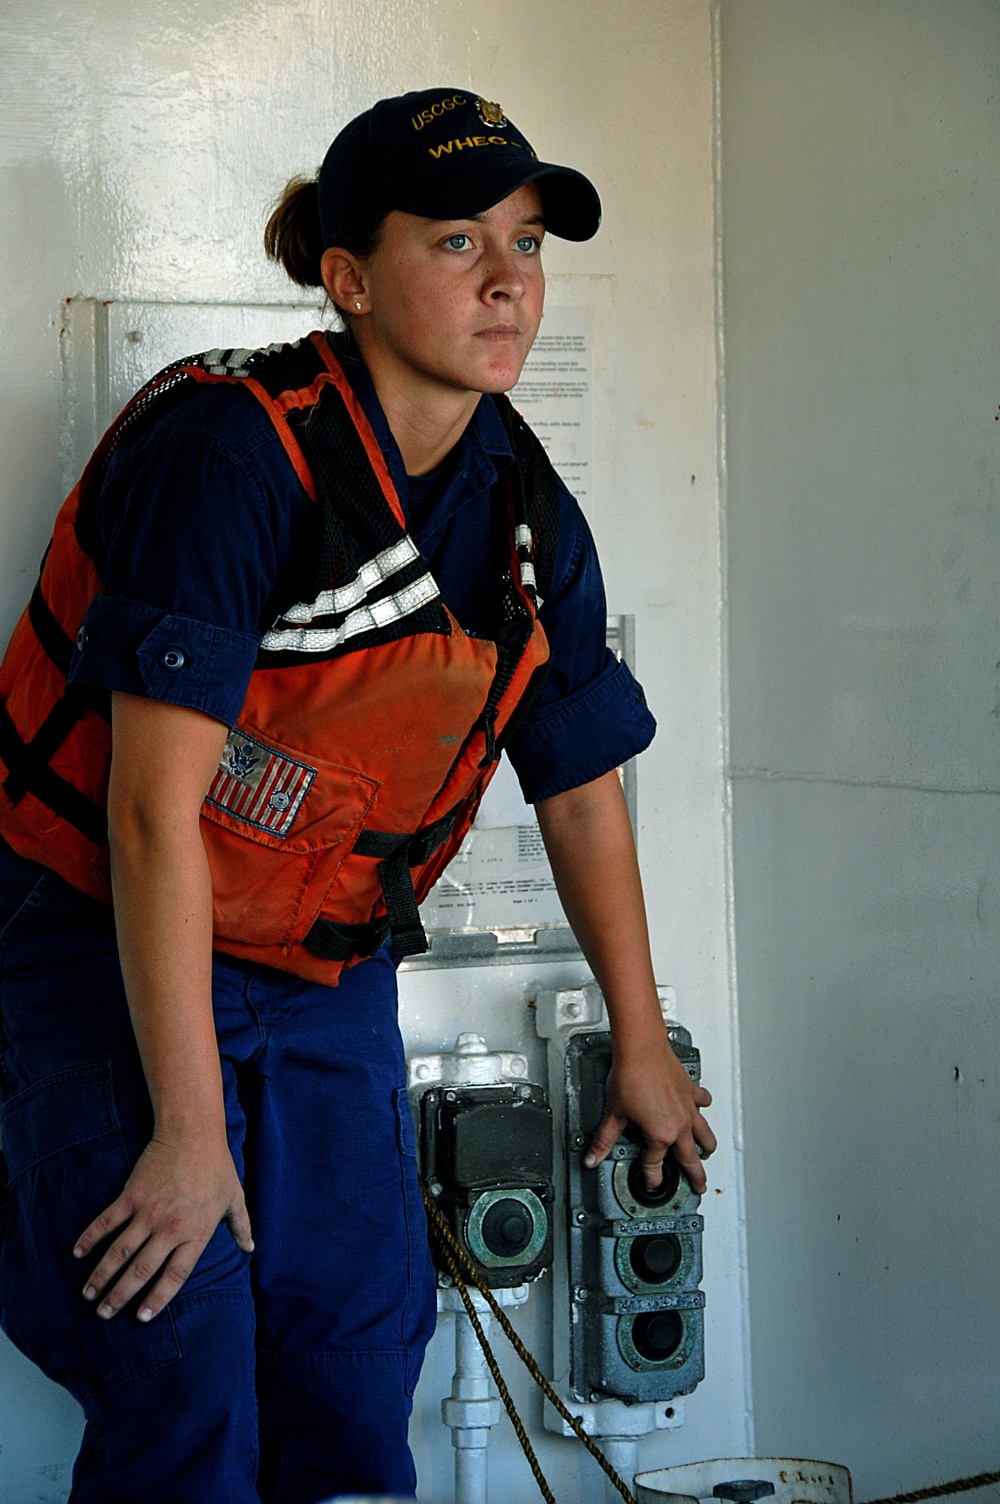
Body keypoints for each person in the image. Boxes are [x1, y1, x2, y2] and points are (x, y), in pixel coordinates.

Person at [0, 87, 717, 1503]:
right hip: (107, 945)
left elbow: (578, 784)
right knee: (180, 1368)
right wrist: (191, 1138)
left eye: (524, 240)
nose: (509, 278)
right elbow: (151, 815)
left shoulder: (522, 510)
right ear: (348, 276)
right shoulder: (231, 454)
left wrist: (642, 1043)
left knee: (354, 1363)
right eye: (457, 241)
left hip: (314, 965)